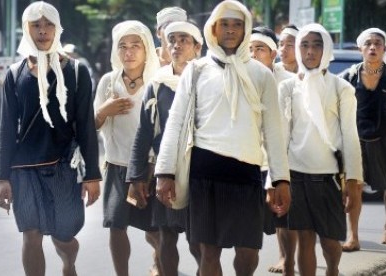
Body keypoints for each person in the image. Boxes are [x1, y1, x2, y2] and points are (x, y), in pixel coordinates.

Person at [154, 1, 291, 275]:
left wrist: (280, 179)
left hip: (247, 173)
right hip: (204, 173)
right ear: (213, 29)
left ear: (246, 29)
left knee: (248, 254)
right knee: (208, 252)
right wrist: (165, 172)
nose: (230, 30)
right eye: (224, 24)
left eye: (237, 24)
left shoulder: (262, 75)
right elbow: (176, 123)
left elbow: (274, 130)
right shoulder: (197, 70)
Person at [0, 2, 101, 276]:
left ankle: (68, 264)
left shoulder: (77, 72)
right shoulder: (15, 74)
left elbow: (86, 125)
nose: (42, 31)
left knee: (64, 236)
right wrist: (0, 178)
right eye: (35, 25)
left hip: (63, 166)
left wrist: (92, 175)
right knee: (31, 235)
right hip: (24, 169)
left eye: (48, 24)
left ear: (57, 27)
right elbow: (6, 128)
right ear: (26, 29)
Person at [278, 23, 362, 276]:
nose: (310, 51)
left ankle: (333, 271)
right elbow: (281, 134)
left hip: (330, 178)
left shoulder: (341, 88)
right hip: (297, 174)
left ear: (326, 49)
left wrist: (354, 181)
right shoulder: (288, 88)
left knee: (329, 242)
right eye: (304, 44)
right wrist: (276, 179)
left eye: (317, 45)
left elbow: (350, 135)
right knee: (305, 238)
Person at [126, 21, 203, 276]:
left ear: (198, 47)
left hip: (200, 170)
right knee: (166, 236)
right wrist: (136, 177)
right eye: (172, 40)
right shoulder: (157, 84)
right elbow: (144, 133)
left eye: (184, 39)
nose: (177, 45)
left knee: (199, 242)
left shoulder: (208, 79)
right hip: (165, 169)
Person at [93, 20, 160, 276]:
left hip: (149, 166)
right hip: (115, 164)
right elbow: (92, 125)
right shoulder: (108, 82)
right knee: (116, 225)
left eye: (136, 46)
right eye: (123, 46)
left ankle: (161, 263)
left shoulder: (158, 80)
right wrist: (104, 110)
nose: (129, 52)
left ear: (146, 50)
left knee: (154, 229)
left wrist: (153, 166)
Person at [342, 28, 386, 251]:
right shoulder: (348, 77)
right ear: (360, 48)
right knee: (354, 186)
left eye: (377, 43)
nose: (372, 47)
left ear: (384, 48)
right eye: (368, 43)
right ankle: (353, 236)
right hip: (357, 139)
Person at [249, 26, 296, 276]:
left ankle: (287, 262)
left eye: (260, 49)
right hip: (249, 160)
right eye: (250, 49)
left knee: (282, 217)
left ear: (273, 53)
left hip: (279, 161)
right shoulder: (241, 78)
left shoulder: (288, 82)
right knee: (251, 225)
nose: (254, 54)